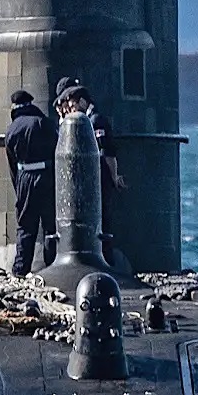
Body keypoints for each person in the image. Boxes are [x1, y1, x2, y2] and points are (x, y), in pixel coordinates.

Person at [56, 84, 125, 263]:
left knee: (103, 219)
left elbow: (107, 152)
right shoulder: (87, 120)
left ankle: (107, 259)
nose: (71, 110)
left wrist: (113, 176)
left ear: (83, 102)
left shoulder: (95, 121)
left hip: (100, 176)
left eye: (73, 106)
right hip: (93, 178)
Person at [4, 89, 58, 277]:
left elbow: (12, 166)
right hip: (48, 175)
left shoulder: (12, 130)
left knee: (26, 226)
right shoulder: (46, 124)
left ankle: (20, 270)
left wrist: (19, 189)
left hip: (25, 177)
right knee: (51, 226)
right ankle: (53, 268)